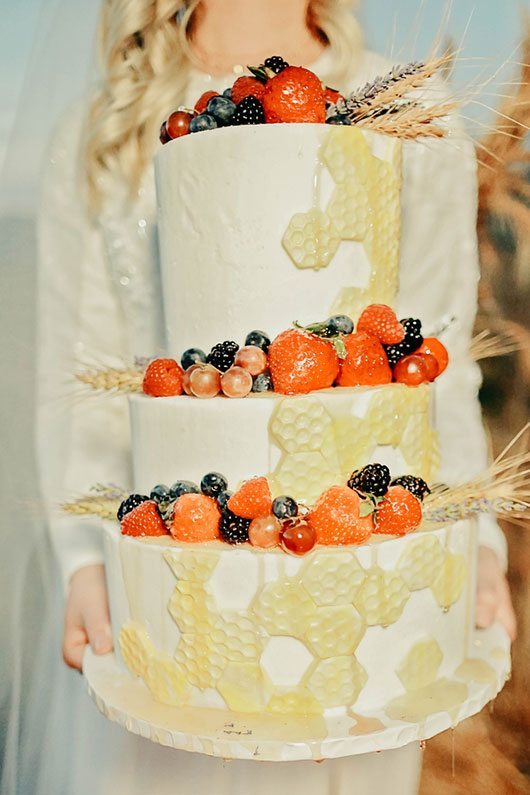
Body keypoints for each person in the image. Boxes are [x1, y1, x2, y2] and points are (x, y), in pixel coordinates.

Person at [35, 1, 516, 793]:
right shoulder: (108, 133)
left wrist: (477, 546)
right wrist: (86, 561)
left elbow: (441, 368)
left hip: (358, 618)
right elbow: (75, 377)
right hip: (174, 618)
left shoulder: (408, 119)